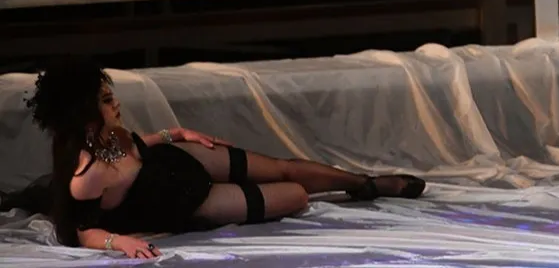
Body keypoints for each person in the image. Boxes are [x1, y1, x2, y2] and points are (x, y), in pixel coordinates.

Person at [23, 59, 426, 259]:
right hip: (185, 201)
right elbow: (79, 231)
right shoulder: (86, 175)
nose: (117, 104)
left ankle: (364, 183)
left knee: (282, 166)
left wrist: (176, 134)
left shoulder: (110, 135)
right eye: (107, 100)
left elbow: (140, 146)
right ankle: (352, 185)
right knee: (296, 194)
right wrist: (121, 243)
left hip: (174, 162)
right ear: (86, 117)